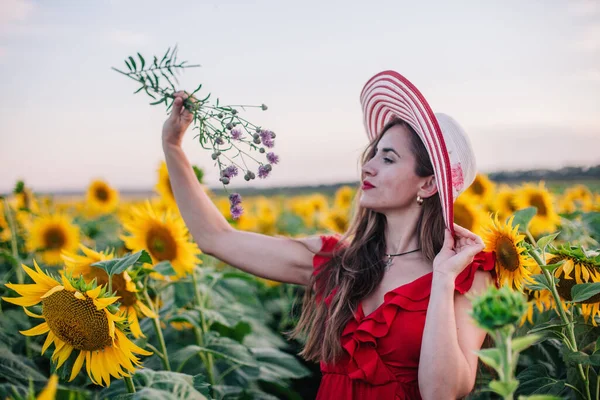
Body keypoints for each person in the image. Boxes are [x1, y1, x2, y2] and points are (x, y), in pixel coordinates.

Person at [161, 70, 498, 400]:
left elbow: (442, 393)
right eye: (374, 153)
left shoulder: (469, 274)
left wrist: (442, 278)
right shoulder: (338, 261)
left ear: (427, 183)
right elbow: (215, 238)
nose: (367, 166)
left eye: (389, 158)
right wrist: (173, 146)